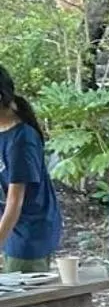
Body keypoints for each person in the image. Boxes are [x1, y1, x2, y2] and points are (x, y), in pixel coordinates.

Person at [0, 66, 60, 272]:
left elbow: (15, 200)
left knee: (18, 304)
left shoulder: (22, 140)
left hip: (28, 237)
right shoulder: (3, 133)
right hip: (9, 233)